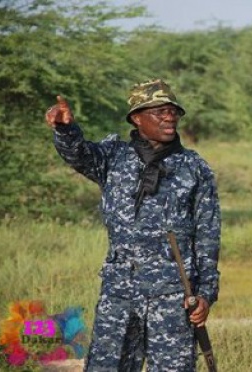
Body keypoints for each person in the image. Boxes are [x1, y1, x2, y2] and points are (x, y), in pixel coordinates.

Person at [45, 79, 221, 371]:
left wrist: (206, 293)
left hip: (173, 295)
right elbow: (79, 154)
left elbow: (208, 233)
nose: (170, 117)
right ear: (137, 118)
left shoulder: (194, 167)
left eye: (173, 111)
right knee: (107, 366)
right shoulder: (113, 157)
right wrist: (65, 129)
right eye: (160, 111)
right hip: (119, 291)